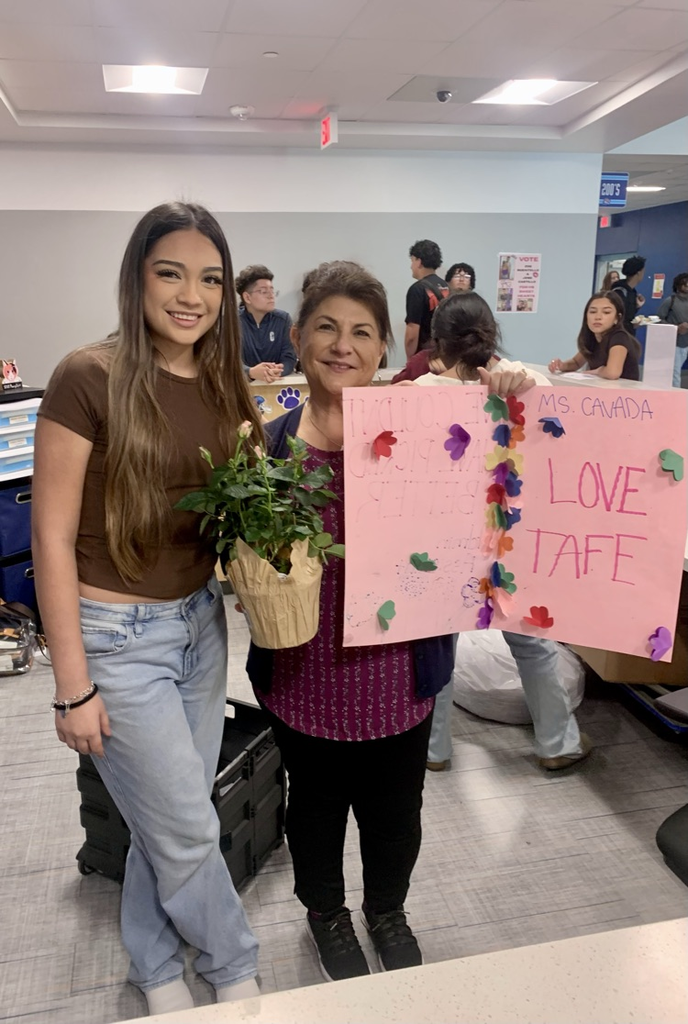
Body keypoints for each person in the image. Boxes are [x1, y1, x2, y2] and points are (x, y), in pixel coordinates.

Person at [246, 262, 532, 984]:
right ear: (299, 337)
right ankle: (326, 913)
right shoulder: (268, 445)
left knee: (396, 814)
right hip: (303, 674)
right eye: (326, 327)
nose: (342, 345)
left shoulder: (424, 427)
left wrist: (507, 388)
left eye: (361, 332)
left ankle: (386, 910)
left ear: (385, 349)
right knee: (314, 811)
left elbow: (511, 450)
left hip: (398, 676)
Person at [32, 202, 261, 1016]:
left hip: (200, 624)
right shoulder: (87, 375)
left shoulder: (225, 378)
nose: (191, 296)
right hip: (116, 639)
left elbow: (253, 486)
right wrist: (72, 686)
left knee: (169, 818)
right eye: (171, 273)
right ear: (138, 278)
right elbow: (50, 537)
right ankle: (235, 968)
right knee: (187, 830)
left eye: (211, 279)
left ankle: (156, 968)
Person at [412, 291, 591, 772]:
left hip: (442, 541)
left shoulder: (419, 394)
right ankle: (557, 744)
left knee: (439, 644)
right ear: (492, 335)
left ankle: (433, 751)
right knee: (531, 641)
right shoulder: (530, 383)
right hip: (512, 538)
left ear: (437, 342)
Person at [548, 290, 641, 381]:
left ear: (617, 318)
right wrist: (561, 365)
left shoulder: (619, 337)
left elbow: (613, 373)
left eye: (606, 312)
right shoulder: (592, 337)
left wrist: (598, 371)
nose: (598, 317)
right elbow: (576, 363)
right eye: (593, 312)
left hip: (623, 390)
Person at [236, 264, 296, 382]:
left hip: (274, 384)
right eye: (264, 292)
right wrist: (250, 372)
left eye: (272, 291)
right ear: (247, 297)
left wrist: (277, 371)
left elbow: (289, 357)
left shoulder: (283, 320)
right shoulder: (233, 322)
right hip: (242, 385)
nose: (271, 296)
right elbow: (226, 360)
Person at [404, 239, 449, 358]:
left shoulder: (417, 289)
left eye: (412, 261)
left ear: (419, 262)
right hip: (446, 356)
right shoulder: (448, 287)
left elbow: (412, 335)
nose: (411, 266)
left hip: (425, 357)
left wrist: (411, 360)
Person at [657, 271, 688, 388]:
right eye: (684, 283)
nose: (687, 286)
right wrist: (675, 328)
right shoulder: (670, 301)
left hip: (685, 343)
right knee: (675, 373)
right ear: (678, 285)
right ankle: (675, 395)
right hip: (673, 343)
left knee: (676, 370)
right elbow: (659, 319)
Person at [611, 256, 646, 335]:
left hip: (627, 334)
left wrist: (637, 306)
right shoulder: (619, 291)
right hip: (618, 335)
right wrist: (631, 325)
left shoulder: (632, 291)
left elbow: (627, 313)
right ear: (639, 273)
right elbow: (617, 317)